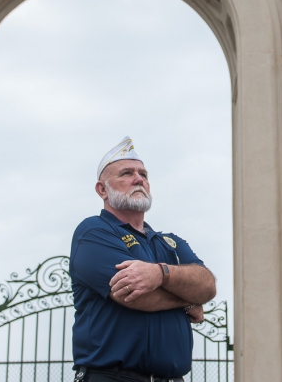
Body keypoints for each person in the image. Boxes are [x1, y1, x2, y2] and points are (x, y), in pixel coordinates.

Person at [70, 136, 217, 382]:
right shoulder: (93, 232)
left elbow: (207, 286)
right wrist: (187, 301)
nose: (139, 179)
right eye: (127, 173)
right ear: (102, 189)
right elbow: (133, 294)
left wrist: (160, 274)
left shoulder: (170, 242)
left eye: (144, 174)